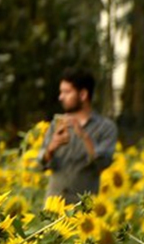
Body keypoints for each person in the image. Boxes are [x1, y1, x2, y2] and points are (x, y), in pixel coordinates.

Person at [37, 68, 118, 203]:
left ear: (83, 95)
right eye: (61, 92)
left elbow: (103, 162)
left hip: (83, 211)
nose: (60, 97)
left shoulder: (106, 128)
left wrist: (83, 136)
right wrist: (51, 148)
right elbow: (41, 164)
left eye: (67, 92)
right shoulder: (56, 125)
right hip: (53, 207)